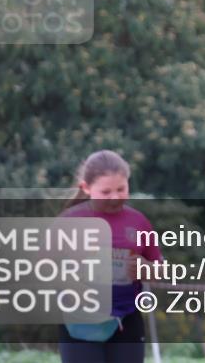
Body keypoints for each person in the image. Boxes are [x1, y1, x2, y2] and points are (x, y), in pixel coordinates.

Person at [58, 150, 163, 363]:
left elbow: (161, 270)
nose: (115, 197)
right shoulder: (69, 221)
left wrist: (146, 269)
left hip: (126, 320)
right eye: (106, 192)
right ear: (86, 188)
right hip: (80, 321)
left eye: (121, 189)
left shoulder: (139, 222)